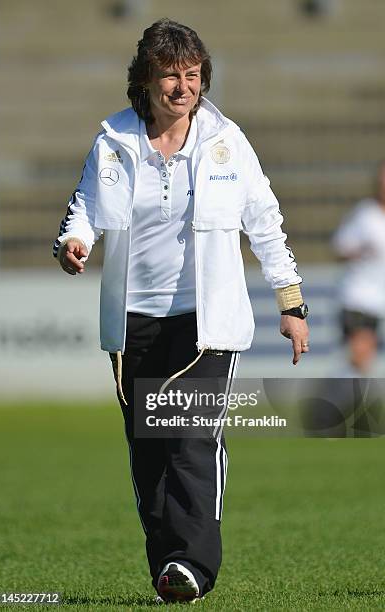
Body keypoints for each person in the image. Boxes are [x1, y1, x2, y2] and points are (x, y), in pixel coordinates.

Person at [53, 18, 309, 604]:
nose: (182, 87)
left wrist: (290, 301)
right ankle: (168, 564)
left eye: (192, 75)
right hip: (132, 320)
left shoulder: (228, 141)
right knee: (149, 450)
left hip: (206, 321)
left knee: (190, 439)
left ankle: (194, 563)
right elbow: (84, 208)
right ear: (145, 80)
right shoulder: (112, 141)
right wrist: (74, 243)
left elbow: (265, 223)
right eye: (169, 75)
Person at [332, 161, 385, 376]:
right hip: (358, 298)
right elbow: (340, 247)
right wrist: (361, 251)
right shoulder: (365, 214)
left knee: (363, 361)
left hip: (378, 300)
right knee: (360, 355)